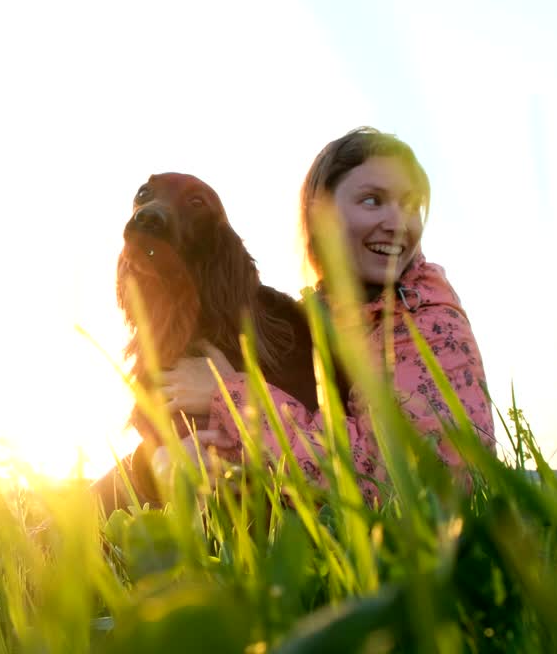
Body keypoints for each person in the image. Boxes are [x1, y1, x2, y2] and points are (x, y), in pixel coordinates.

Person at [150, 127, 496, 504]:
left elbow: (396, 480)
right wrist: (165, 459)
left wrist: (227, 394)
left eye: (411, 205)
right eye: (373, 201)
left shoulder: (425, 316)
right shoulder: (319, 318)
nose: (398, 223)